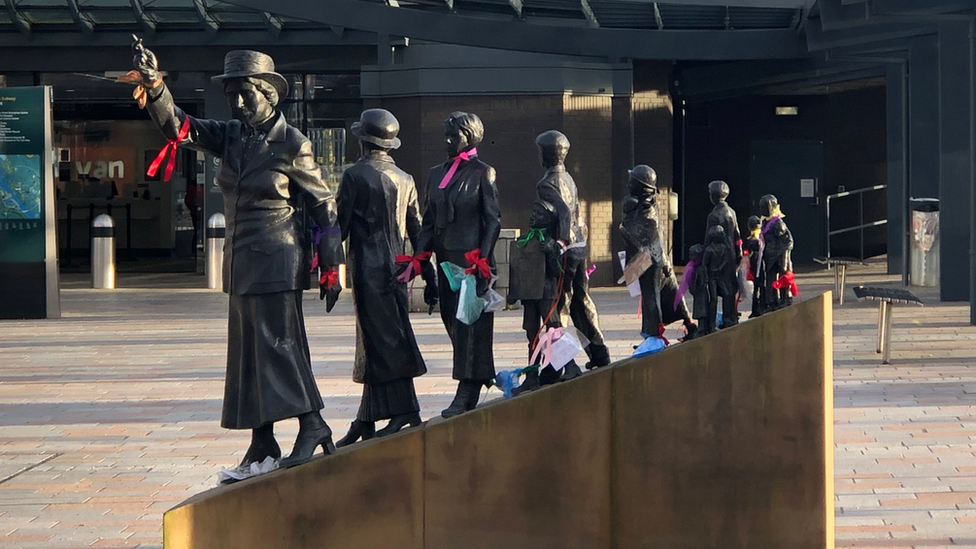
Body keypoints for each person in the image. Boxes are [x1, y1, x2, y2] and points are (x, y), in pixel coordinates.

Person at [130, 40, 343, 471]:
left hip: (279, 256)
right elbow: (178, 127)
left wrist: (332, 264)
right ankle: (262, 439)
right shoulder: (229, 137)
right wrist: (154, 84)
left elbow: (324, 205)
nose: (240, 102)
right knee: (248, 353)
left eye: (247, 93)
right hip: (241, 258)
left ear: (269, 93)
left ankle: (312, 423)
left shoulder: (292, 144)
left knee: (279, 345)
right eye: (233, 95)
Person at [334, 109, 435, 447]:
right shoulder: (405, 178)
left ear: (363, 140)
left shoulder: (355, 176)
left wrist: (327, 268)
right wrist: (428, 273)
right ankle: (366, 417)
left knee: (383, 341)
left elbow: (339, 227)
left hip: (368, 269)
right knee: (380, 339)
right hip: (398, 269)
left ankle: (406, 409)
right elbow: (419, 231)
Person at [416, 112, 501, 419]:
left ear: (470, 137)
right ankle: (476, 373)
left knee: (470, 325)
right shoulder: (436, 173)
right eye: (446, 136)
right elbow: (428, 222)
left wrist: (483, 260)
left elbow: (492, 220)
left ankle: (467, 387)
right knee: (453, 322)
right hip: (445, 260)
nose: (448, 142)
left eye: (454, 136)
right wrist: (420, 260)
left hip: (470, 262)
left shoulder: (483, 173)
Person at [534, 130, 611, 371]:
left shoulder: (546, 183)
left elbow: (564, 214)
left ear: (545, 154)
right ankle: (599, 352)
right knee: (581, 299)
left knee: (556, 305)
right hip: (579, 247)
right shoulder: (569, 178)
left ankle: (565, 363)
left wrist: (558, 242)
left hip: (564, 250)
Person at [619, 165, 697, 340]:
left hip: (650, 261)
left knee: (651, 298)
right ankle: (688, 324)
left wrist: (623, 227)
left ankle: (654, 336)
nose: (628, 185)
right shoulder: (642, 207)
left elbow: (635, 234)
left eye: (631, 182)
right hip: (655, 259)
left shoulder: (647, 214)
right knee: (669, 292)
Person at [511, 200, 570, 394]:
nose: (533, 216)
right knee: (532, 333)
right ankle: (532, 375)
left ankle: (569, 365)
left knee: (553, 330)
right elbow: (517, 269)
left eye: (538, 213)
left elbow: (556, 271)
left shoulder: (550, 242)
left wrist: (552, 254)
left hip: (546, 293)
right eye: (533, 212)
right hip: (530, 294)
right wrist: (513, 292)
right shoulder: (525, 240)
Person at [704, 180, 741, 328]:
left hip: (717, 257)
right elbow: (737, 235)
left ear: (713, 196)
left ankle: (714, 321)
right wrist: (738, 253)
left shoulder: (713, 216)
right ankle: (730, 316)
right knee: (730, 288)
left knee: (718, 287)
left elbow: (709, 237)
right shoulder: (732, 212)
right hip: (731, 255)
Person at [759, 194, 795, 312]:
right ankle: (772, 301)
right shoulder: (765, 222)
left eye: (764, 207)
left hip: (779, 256)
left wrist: (783, 259)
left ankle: (785, 298)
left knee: (783, 277)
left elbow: (788, 241)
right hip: (769, 256)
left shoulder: (778, 224)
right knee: (770, 278)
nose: (762, 210)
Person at [743, 215, 764, 318]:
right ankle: (760, 307)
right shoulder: (759, 239)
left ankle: (755, 308)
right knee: (761, 286)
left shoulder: (751, 240)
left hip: (754, 266)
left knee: (756, 287)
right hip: (759, 265)